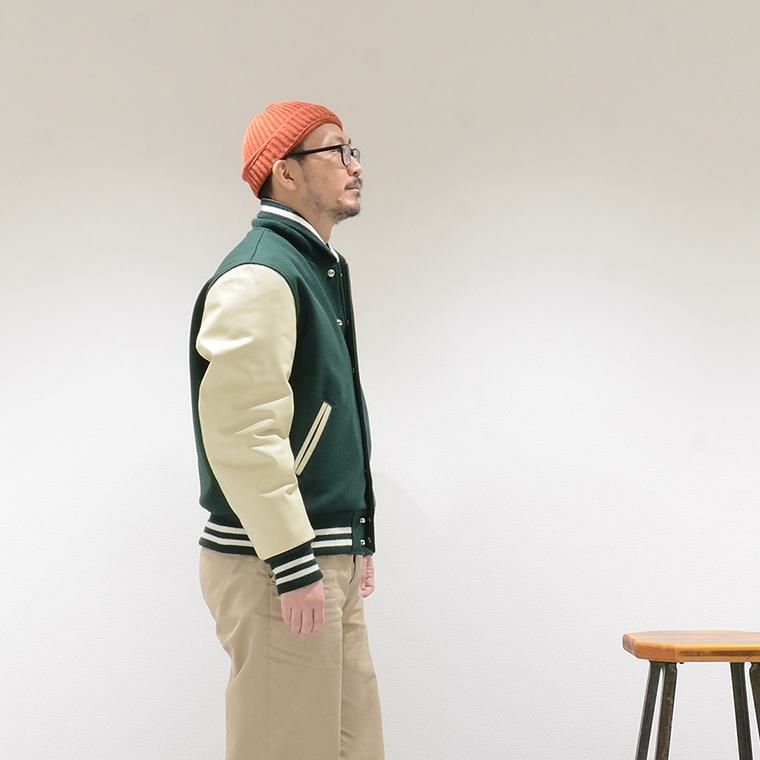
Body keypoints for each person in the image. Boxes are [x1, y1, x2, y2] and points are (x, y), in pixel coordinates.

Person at [188, 100, 384, 760]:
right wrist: (293, 559)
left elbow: (318, 416)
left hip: (319, 553)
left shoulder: (312, 268)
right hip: (274, 563)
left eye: (354, 150)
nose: (355, 165)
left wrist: (353, 536)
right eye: (337, 151)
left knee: (353, 748)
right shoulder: (262, 274)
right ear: (286, 172)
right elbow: (243, 431)